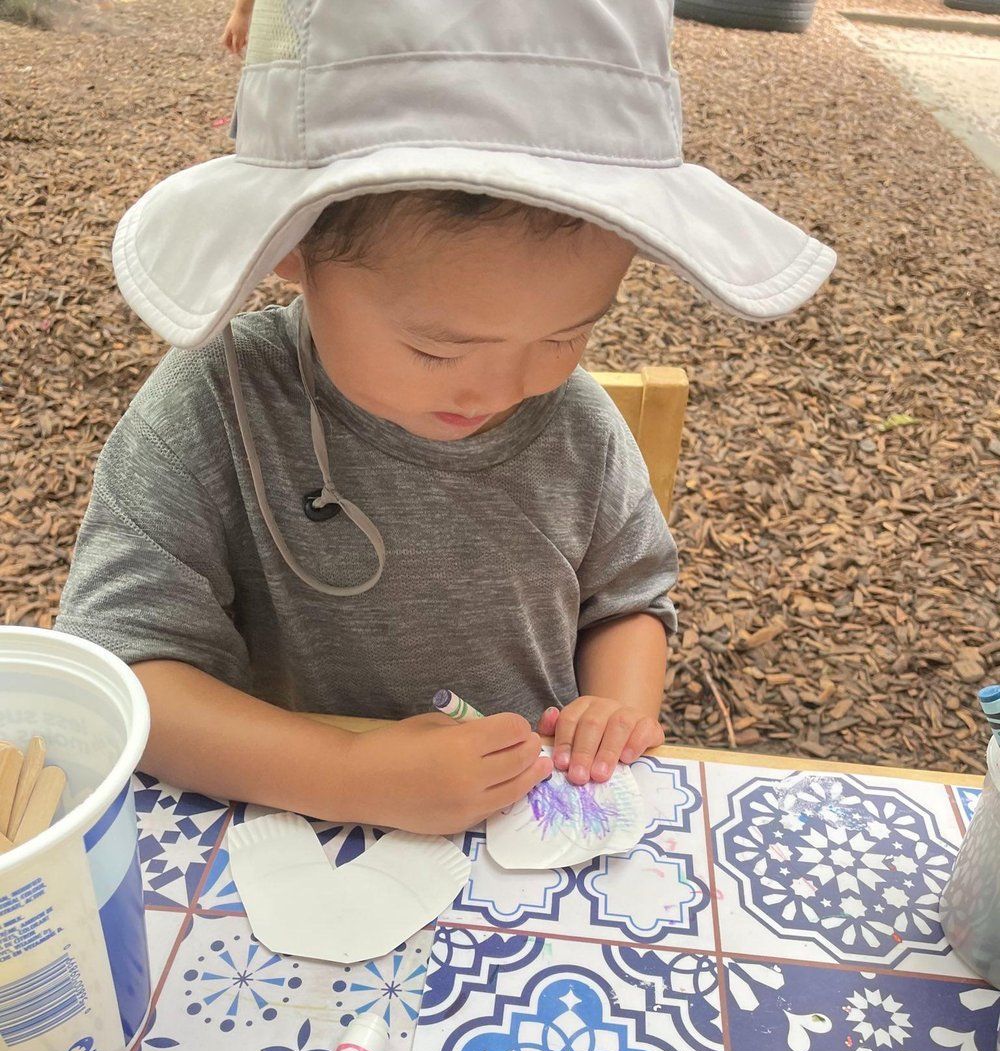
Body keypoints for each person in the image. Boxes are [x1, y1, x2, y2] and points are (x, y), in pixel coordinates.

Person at [55, 0, 835, 836]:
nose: (505, 388)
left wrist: (613, 705)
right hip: (297, 831)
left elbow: (627, 601)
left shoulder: (578, 426)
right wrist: (347, 773)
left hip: (528, 826)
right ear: (293, 245)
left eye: (567, 334)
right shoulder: (219, 406)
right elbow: (122, 669)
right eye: (437, 350)